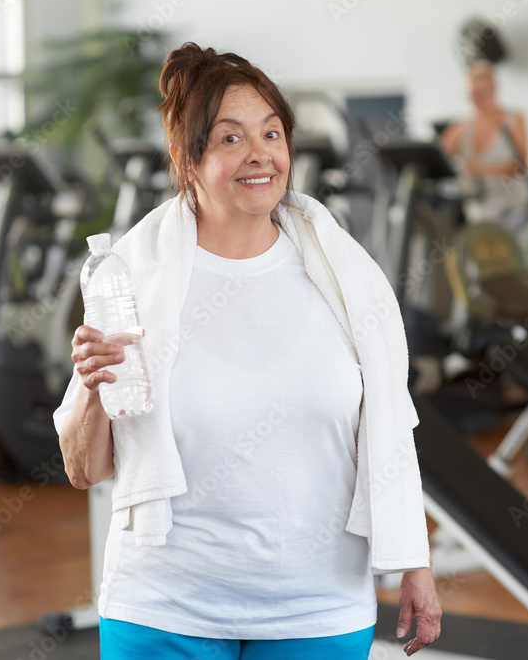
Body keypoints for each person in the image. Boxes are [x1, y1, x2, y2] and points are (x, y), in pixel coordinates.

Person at [54, 43, 441, 659]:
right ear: (185, 158)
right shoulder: (135, 277)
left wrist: (413, 561)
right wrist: (97, 391)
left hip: (319, 606)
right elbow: (83, 468)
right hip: (165, 603)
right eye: (231, 138)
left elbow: (388, 428)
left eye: (272, 133)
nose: (261, 154)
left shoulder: (343, 273)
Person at [439, 61, 528, 229]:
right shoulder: (461, 127)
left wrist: (478, 169)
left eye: (482, 93)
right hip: (478, 212)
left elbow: (521, 165)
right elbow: (439, 156)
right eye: (473, 94)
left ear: (494, 89)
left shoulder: (514, 120)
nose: (478, 100)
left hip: (513, 210)